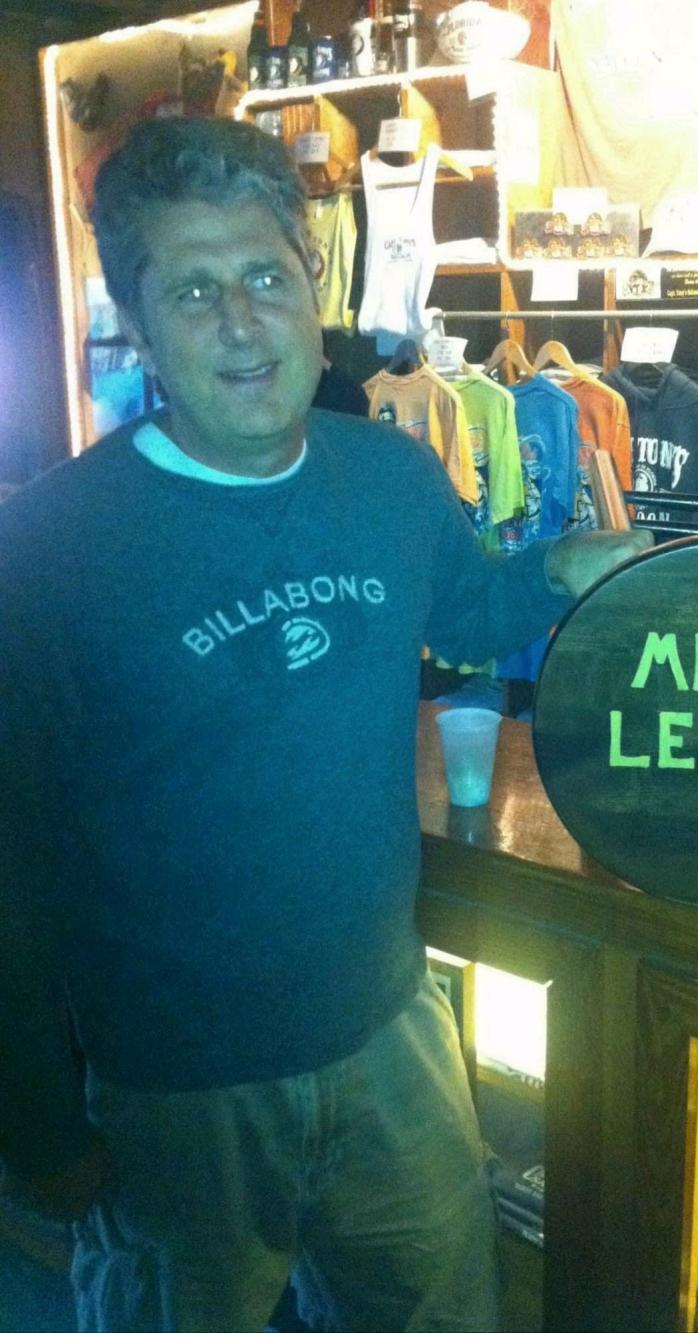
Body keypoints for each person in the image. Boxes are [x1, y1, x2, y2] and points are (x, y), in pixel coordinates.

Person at [0, 116, 650, 1333]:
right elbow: (9, 874)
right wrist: (36, 1125)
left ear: (313, 286)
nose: (242, 322)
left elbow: (469, 608)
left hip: (390, 1037)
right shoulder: (47, 551)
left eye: (264, 276)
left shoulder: (388, 478)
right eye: (193, 291)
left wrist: (571, 566)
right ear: (138, 326)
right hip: (172, 1096)